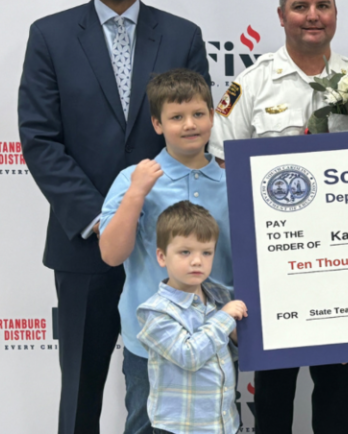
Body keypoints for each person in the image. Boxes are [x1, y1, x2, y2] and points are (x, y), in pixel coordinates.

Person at [17, 0, 209, 434]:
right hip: (84, 243)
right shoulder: (50, 36)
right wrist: (101, 219)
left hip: (167, 245)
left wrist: (161, 225)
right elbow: (39, 139)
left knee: (172, 387)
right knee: (81, 389)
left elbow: (194, 133)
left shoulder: (182, 35)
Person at [208, 0, 348, 434]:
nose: (313, 16)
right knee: (272, 396)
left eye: (323, 6)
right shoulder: (249, 86)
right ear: (280, 15)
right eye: (300, 7)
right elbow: (221, 169)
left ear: (335, 12)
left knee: (338, 394)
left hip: (341, 264)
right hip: (275, 271)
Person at [98, 68, 234, 433]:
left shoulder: (236, 178)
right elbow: (111, 254)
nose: (190, 124)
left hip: (214, 335)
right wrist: (137, 194)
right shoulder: (133, 178)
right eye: (176, 117)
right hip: (151, 343)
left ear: (212, 116)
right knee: (146, 425)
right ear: (158, 124)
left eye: (198, 114)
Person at [137, 200, 246, 434]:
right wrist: (224, 319)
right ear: (162, 256)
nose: (197, 261)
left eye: (206, 252)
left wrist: (236, 338)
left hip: (224, 425)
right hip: (180, 428)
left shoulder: (218, 295)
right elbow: (190, 356)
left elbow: (220, 353)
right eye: (185, 252)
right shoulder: (155, 311)